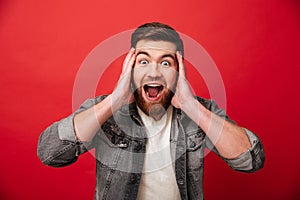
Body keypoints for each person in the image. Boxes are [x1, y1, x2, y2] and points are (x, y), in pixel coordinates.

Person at [37, 22, 265, 200]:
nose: (154, 72)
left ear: (179, 70)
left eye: (166, 63)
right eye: (144, 62)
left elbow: (250, 161)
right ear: (130, 68)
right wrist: (114, 101)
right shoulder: (105, 110)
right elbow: (50, 153)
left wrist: (190, 105)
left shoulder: (200, 111)